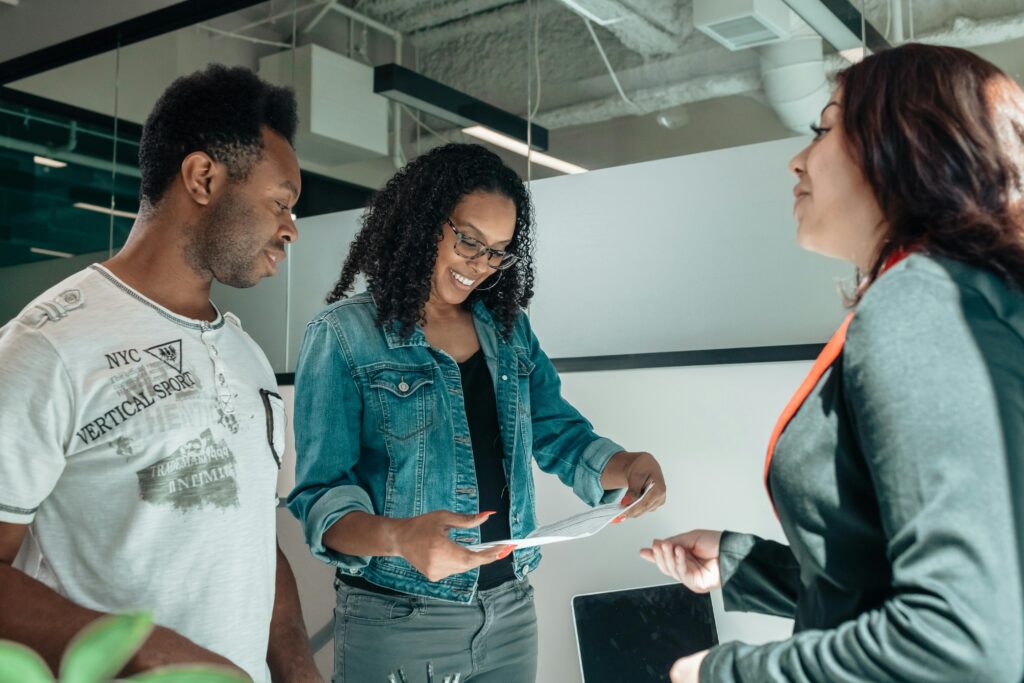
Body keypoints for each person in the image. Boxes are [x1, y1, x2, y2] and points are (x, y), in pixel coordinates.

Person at [642, 43, 1024, 683]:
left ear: (902, 145)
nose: (797, 158)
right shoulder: (968, 298)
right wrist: (744, 565)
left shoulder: (922, 302)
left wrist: (724, 673)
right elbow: (892, 582)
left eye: (822, 130)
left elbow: (964, 640)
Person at [288, 142, 667, 682]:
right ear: (422, 221)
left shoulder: (508, 331)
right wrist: (400, 537)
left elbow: (559, 434)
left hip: (510, 612)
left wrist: (627, 465)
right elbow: (320, 497)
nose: (480, 265)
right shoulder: (344, 336)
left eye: (497, 251)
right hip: (400, 617)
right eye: (468, 240)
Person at [0, 65, 321, 683]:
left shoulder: (246, 355)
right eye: (281, 202)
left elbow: (250, 533)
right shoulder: (49, 346)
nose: (290, 228)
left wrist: (297, 667)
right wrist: (146, 650)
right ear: (203, 177)